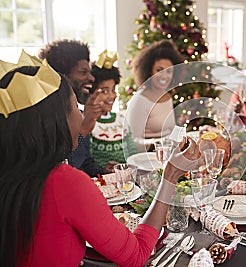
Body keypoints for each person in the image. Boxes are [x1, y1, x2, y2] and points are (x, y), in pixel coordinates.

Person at [0, 52, 201, 267]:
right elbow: (136, 255)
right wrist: (170, 175)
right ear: (55, 122)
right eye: (75, 107)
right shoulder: (65, 183)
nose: (81, 115)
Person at [39, 39, 104, 176]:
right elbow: (63, 170)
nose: (91, 78)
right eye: (83, 72)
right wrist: (83, 131)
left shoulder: (78, 113)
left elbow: (84, 162)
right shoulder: (45, 119)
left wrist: (105, 172)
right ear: (61, 76)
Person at [126, 40, 184, 152]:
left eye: (169, 71)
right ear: (149, 71)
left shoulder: (168, 96)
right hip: (147, 158)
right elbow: (132, 142)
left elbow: (170, 132)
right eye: (159, 70)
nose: (164, 76)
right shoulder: (140, 100)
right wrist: (157, 144)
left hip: (167, 155)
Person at [89, 50, 129, 172]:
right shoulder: (88, 123)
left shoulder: (121, 120)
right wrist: (102, 170)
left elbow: (132, 153)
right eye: (105, 91)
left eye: (113, 90)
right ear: (91, 92)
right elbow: (85, 160)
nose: (112, 96)